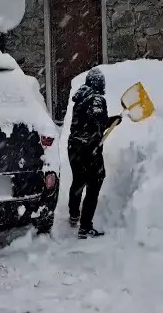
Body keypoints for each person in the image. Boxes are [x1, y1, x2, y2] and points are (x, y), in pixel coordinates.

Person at [68, 67, 122, 239]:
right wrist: (107, 122)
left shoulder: (81, 97)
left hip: (74, 147)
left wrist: (112, 120)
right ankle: (85, 227)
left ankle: (74, 215)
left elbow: (90, 121)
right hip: (89, 150)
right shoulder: (97, 98)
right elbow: (96, 120)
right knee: (94, 184)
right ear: (99, 83)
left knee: (78, 181)